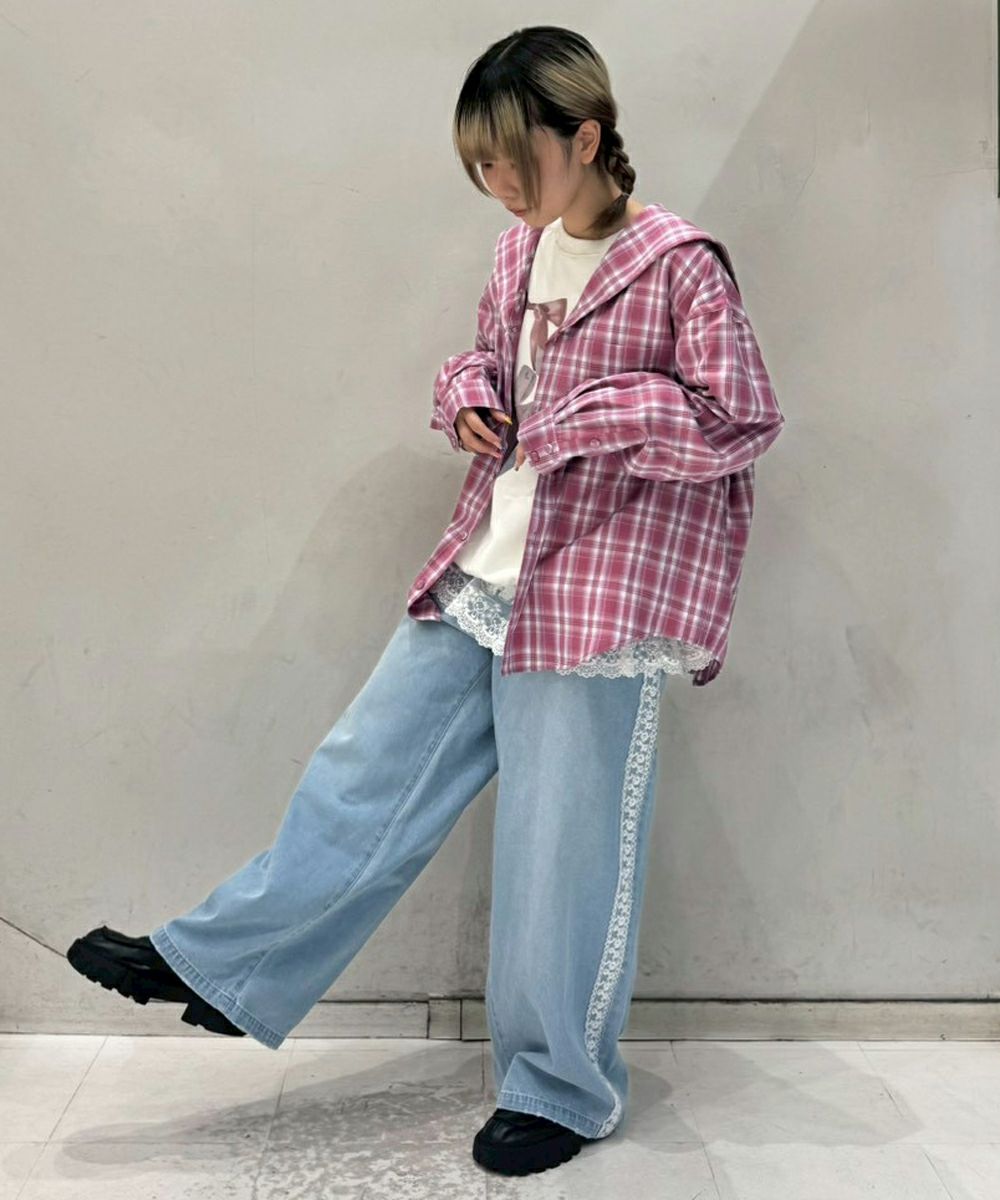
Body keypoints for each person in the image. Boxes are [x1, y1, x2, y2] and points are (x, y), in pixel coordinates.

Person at [67, 25, 784, 1178]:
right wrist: (466, 398)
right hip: (486, 569)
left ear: (584, 137)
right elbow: (487, 364)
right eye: (479, 166)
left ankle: (558, 1088)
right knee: (363, 774)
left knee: (559, 853)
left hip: (595, 601)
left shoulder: (677, 263)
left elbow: (738, 416)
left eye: (511, 158)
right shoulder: (517, 254)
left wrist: (603, 411)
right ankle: (221, 963)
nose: (496, 184)